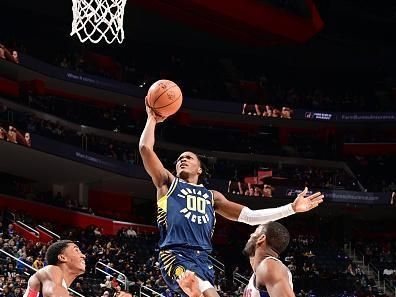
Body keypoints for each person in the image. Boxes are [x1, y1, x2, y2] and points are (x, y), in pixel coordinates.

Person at [139, 106, 324, 297]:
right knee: (198, 287)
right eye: (179, 159)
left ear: (200, 170)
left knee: (205, 290)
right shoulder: (168, 183)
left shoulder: (213, 197)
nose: (182, 160)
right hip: (175, 253)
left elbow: (250, 217)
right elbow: (145, 149)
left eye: (188, 157)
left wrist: (291, 208)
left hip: (203, 259)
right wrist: (152, 118)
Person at [178, 222, 295, 297]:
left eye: (255, 232)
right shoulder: (259, 275)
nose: (250, 236)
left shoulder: (270, 266)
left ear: (261, 238)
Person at [23, 240, 131, 297]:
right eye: (77, 250)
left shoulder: (63, 286)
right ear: (62, 257)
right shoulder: (51, 269)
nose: (83, 255)